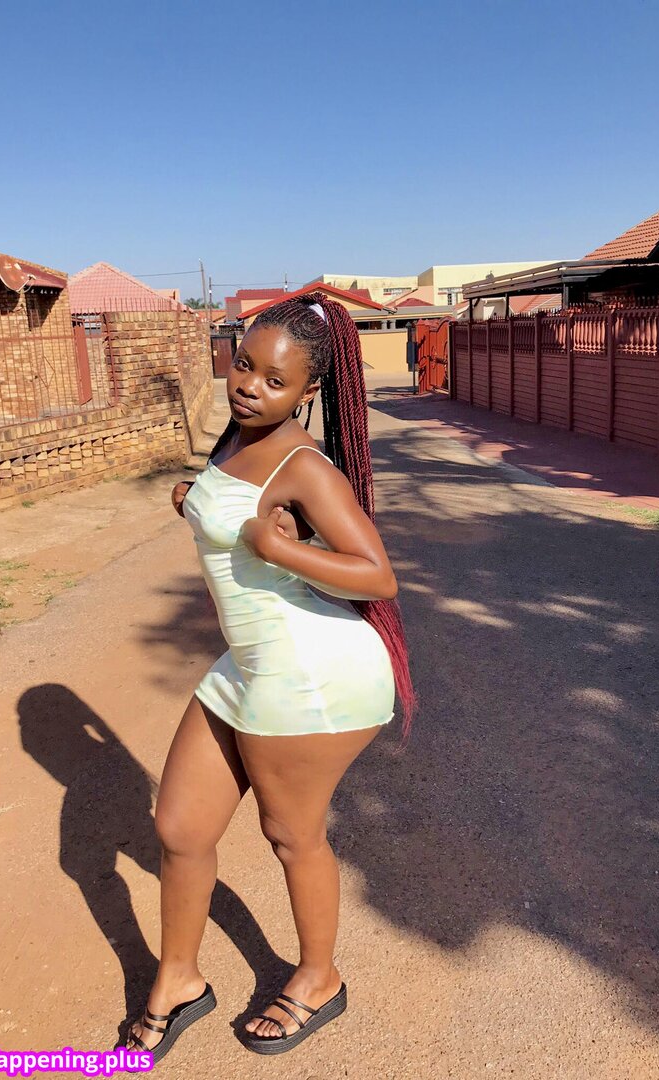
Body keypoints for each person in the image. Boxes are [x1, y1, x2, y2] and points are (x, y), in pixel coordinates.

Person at [124, 292, 416, 1062]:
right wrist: (194, 502)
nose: (249, 386)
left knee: (291, 834)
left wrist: (281, 548)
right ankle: (179, 979)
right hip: (249, 665)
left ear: (309, 391)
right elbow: (233, 514)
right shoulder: (237, 438)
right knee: (180, 828)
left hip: (310, 674)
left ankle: (319, 978)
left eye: (274, 380)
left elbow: (377, 575)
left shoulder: (306, 467)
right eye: (243, 365)